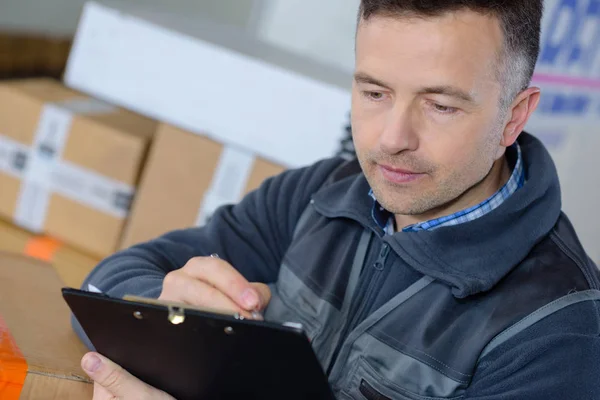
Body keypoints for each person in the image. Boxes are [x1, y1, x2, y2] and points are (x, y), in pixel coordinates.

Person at [75, 0, 600, 399]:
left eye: (439, 105)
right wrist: (158, 320)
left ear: (514, 116)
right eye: (374, 93)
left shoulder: (557, 331)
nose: (392, 137)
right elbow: (109, 280)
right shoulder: (320, 194)